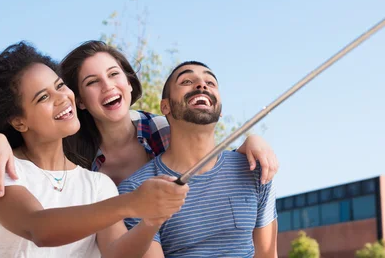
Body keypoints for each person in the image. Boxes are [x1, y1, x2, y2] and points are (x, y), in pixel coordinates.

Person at [0, 42, 188, 257]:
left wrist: (150, 221)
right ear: (19, 122)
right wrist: (132, 202)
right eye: (43, 97)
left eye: (60, 86)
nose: (62, 98)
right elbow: (38, 228)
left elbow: (116, 253)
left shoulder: (98, 184)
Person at [0, 40, 279, 199]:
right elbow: (26, 159)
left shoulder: (164, 129)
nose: (108, 87)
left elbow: (213, 166)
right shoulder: (68, 149)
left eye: (114, 74)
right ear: (79, 99)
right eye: (92, 82)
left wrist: (252, 141)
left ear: (129, 83)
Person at [118, 61, 278, 257]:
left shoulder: (255, 169)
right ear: (165, 106)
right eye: (187, 80)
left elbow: (268, 254)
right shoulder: (136, 190)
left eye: (210, 83)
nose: (202, 85)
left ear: (220, 110)